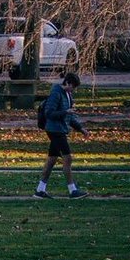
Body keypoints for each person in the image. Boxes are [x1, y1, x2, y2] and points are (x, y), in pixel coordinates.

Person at [35, 71, 88, 199]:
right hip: (54, 130)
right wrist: (65, 112)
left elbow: (69, 116)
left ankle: (40, 189)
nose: (73, 90)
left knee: (52, 160)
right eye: (73, 87)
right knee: (67, 158)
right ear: (67, 83)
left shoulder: (68, 95)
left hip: (60, 129)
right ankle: (72, 190)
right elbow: (49, 113)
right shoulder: (56, 93)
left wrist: (80, 128)